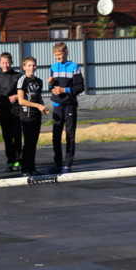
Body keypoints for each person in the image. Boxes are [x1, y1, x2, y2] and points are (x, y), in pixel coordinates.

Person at [48, 42, 84, 174]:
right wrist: (51, 85)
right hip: (57, 105)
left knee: (70, 135)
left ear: (66, 52)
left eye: (60, 54)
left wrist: (64, 90)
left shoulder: (74, 67)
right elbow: (52, 88)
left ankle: (68, 164)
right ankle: (58, 164)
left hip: (69, 105)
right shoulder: (53, 67)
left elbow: (80, 87)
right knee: (56, 136)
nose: (58, 57)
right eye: (56, 55)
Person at [17, 57, 49, 177]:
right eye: (29, 65)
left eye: (34, 65)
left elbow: (38, 97)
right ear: (24, 67)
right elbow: (21, 101)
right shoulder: (22, 80)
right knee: (28, 143)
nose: (32, 68)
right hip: (27, 115)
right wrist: (38, 106)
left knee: (34, 142)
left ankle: (32, 168)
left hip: (37, 115)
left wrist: (43, 107)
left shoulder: (39, 81)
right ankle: (25, 169)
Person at [0, 52, 22, 172]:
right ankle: (10, 160)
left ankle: (18, 160)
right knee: (7, 137)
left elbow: (24, 91)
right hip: (4, 110)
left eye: (7, 63)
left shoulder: (19, 76)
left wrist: (17, 96)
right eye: (3, 63)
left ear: (11, 63)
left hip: (17, 109)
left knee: (17, 136)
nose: (5, 65)